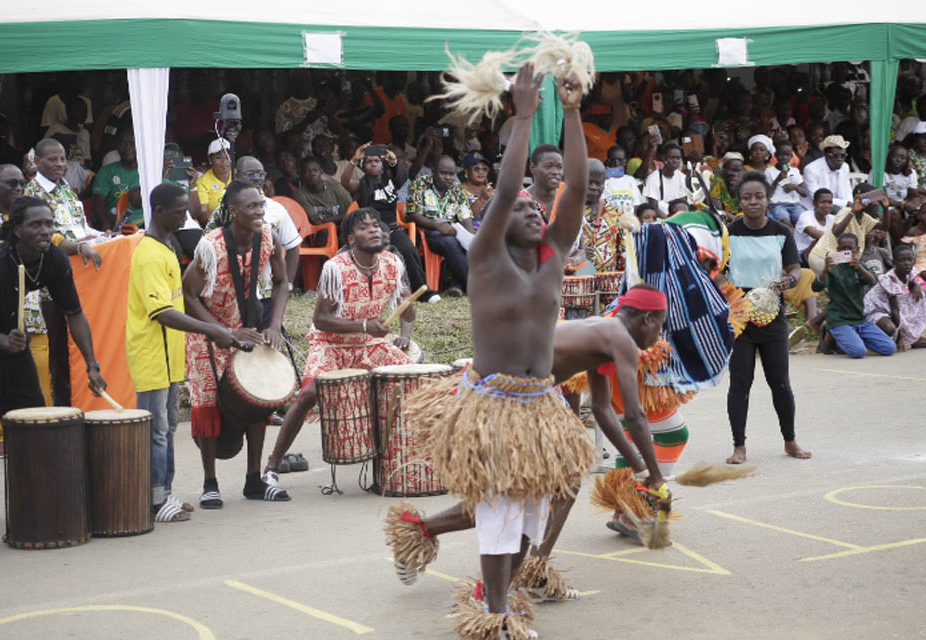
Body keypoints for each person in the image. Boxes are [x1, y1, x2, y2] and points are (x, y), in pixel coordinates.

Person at [387, 63, 594, 633]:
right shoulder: (487, 262)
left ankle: (453, 556)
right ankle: (495, 612)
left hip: (540, 403)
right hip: (493, 406)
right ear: (499, 226)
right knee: (502, 510)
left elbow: (574, 187)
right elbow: (505, 190)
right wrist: (523, 116)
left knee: (526, 514)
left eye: (539, 209)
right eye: (523, 209)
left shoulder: (552, 259)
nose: (533, 209)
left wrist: (572, 111)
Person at [385, 286, 670, 602]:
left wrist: (642, 468)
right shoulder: (619, 340)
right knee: (510, 498)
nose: (660, 334)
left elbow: (602, 409)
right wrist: (656, 475)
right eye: (660, 324)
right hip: (506, 393)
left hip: (526, 393)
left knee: (562, 483)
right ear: (647, 318)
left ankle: (532, 571)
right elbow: (634, 414)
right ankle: (426, 533)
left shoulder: (607, 330)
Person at [0, 196, 107, 535]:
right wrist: (2, 341)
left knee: (34, 429)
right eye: (36, 225)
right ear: (16, 230)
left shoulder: (54, 259)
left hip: (14, 353)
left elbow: (74, 313)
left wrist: (92, 364)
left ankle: (32, 507)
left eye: (49, 224)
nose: (45, 231)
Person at [262, 207, 415, 484]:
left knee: (413, 381)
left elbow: (406, 310)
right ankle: (272, 465)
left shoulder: (394, 263)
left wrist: (406, 327)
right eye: (364, 227)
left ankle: (405, 458)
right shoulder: (336, 268)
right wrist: (366, 326)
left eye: (376, 225)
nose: (373, 230)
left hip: (369, 343)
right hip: (331, 344)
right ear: (351, 238)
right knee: (308, 393)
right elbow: (321, 320)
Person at [127, 183, 241, 523]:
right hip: (151, 356)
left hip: (170, 357)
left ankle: (164, 491)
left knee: (167, 428)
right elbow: (161, 311)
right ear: (159, 211)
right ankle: (154, 500)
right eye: (179, 211)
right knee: (155, 431)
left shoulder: (169, 245)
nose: (185, 216)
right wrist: (215, 329)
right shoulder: (148, 254)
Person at [182, 181, 292, 507]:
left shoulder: (268, 238)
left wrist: (273, 325)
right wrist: (221, 332)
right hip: (206, 332)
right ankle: (210, 483)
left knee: (259, 398)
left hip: (247, 328)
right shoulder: (210, 247)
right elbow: (188, 296)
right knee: (206, 405)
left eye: (261, 205)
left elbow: (283, 282)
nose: (259, 211)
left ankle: (254, 481)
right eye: (251, 207)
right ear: (233, 212)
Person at [0, 164, 52, 460]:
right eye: (12, 183)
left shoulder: (32, 217)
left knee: (36, 383)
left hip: (27, 313)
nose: (18, 188)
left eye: (22, 184)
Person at [724, 172, 810, 465]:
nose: (753, 202)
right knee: (740, 383)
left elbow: (795, 268)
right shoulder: (730, 232)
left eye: (758, 196)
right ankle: (739, 446)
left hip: (773, 315)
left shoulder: (781, 231)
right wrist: (729, 292)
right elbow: (717, 270)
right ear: (740, 201)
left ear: (767, 199)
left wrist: (790, 279)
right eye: (747, 197)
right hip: (740, 318)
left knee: (780, 382)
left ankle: (790, 440)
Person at [24, 138, 103, 407]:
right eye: (52, 159)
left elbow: (81, 229)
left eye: (62, 159)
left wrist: (106, 237)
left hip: (79, 278)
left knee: (74, 349)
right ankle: (60, 409)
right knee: (58, 353)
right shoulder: (32, 194)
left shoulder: (67, 190)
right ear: (37, 162)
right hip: (49, 285)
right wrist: (81, 247)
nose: (60, 164)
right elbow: (50, 238)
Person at [204, 156, 301, 330]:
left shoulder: (276, 210)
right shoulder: (222, 212)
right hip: (229, 297)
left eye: (260, 174)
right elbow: (206, 252)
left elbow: (293, 247)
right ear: (237, 175)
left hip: (265, 296)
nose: (257, 178)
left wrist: (288, 285)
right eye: (250, 174)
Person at [341, 142, 433, 301]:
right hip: (372, 231)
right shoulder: (362, 185)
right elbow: (345, 182)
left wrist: (394, 162)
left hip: (393, 229)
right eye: (369, 162)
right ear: (364, 167)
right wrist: (354, 160)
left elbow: (404, 177)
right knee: (380, 258)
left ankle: (422, 292)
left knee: (409, 250)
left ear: (382, 164)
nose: (373, 164)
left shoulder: (390, 178)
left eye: (376, 161)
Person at [812, 233, 895, 359]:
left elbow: (872, 281)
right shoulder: (833, 268)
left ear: (857, 250)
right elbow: (816, 287)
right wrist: (825, 270)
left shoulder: (860, 265)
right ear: (838, 250)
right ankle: (830, 333)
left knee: (889, 348)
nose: (846, 252)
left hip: (860, 319)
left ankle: (851, 337)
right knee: (858, 352)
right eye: (843, 249)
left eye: (850, 249)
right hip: (839, 319)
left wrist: (860, 267)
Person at [405, 154, 473, 295]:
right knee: (450, 241)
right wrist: (436, 225)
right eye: (443, 173)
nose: (448, 177)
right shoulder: (419, 184)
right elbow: (413, 213)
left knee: (472, 244)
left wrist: (471, 239)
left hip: (454, 231)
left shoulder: (457, 189)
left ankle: (457, 286)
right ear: (433, 170)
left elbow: (465, 216)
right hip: (427, 231)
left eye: (451, 174)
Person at [807, 183, 890, 275]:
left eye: (876, 199)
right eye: (871, 199)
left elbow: (884, 227)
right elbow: (836, 232)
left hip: (838, 258)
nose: (875, 204)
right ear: (859, 200)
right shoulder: (846, 211)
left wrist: (885, 209)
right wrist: (854, 210)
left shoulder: (865, 218)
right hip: (823, 258)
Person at [864, 243, 926, 351]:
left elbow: (911, 280)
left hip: (891, 307)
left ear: (914, 261)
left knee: (921, 295)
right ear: (894, 263)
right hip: (876, 309)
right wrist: (900, 337)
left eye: (909, 260)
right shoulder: (889, 279)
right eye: (901, 260)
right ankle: (872, 338)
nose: (906, 263)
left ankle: (913, 336)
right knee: (890, 328)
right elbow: (895, 310)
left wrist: (915, 285)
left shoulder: (910, 271)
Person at [292, 155, 352, 238]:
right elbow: (316, 222)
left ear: (321, 172)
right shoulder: (300, 194)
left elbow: (352, 212)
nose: (312, 174)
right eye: (307, 171)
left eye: (315, 170)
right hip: (319, 232)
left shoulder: (335, 187)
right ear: (301, 174)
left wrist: (326, 220)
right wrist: (343, 217)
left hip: (343, 228)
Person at [581, 158, 624, 272]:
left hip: (608, 284)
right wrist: (578, 253)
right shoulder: (566, 210)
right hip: (575, 282)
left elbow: (623, 250)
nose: (594, 187)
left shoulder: (616, 212)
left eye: (598, 183)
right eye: (589, 182)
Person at [91, 129, 139, 230]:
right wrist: (107, 224)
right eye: (122, 143)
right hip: (113, 225)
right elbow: (98, 203)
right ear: (117, 146)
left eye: (132, 143)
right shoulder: (107, 171)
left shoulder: (147, 172)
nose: (127, 147)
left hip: (139, 226)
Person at [764, 139, 808, 227]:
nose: (784, 157)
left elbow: (805, 193)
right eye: (781, 154)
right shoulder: (769, 171)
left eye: (787, 155)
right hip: (777, 205)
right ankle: (792, 240)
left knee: (804, 222)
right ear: (775, 155)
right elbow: (767, 194)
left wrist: (795, 187)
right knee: (786, 222)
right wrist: (778, 179)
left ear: (791, 156)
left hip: (795, 205)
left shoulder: (795, 171)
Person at [802, 135, 852, 209]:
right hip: (816, 209)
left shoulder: (845, 167)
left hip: (839, 207)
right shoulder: (811, 169)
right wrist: (846, 204)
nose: (840, 159)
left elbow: (847, 191)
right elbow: (819, 198)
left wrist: (850, 206)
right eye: (836, 156)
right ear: (826, 155)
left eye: (843, 156)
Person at [190, 138, 232, 225]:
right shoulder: (203, 182)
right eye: (218, 157)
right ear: (210, 160)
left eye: (227, 157)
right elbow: (203, 214)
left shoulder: (239, 175)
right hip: (217, 226)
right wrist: (223, 221)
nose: (224, 161)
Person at [643, 142, 688, 217]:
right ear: (664, 159)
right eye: (672, 158)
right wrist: (668, 220)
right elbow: (653, 206)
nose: (675, 161)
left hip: (678, 216)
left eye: (678, 158)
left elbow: (683, 202)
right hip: (661, 217)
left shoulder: (682, 177)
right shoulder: (653, 178)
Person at [794, 189, 835, 266]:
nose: (827, 205)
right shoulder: (806, 215)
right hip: (801, 257)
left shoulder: (832, 218)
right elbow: (814, 233)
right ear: (814, 203)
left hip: (823, 254)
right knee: (818, 241)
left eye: (830, 202)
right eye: (823, 202)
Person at [601, 145, 643, 219]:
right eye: (613, 160)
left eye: (620, 160)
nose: (616, 163)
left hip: (630, 221)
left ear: (625, 162)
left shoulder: (630, 180)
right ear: (608, 162)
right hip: (611, 223)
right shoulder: (603, 181)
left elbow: (636, 204)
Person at [525, 143, 564, 220]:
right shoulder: (521, 201)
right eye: (549, 166)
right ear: (533, 168)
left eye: (559, 167)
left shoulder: (567, 199)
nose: (555, 172)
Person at [708, 152, 745, 220]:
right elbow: (718, 210)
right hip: (725, 220)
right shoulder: (718, 181)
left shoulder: (744, 181)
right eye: (732, 170)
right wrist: (736, 219)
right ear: (724, 169)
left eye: (738, 170)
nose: (735, 174)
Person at [461, 152, 493, 228]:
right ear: (466, 172)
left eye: (484, 169)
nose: (481, 172)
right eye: (476, 169)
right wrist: (483, 199)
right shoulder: (458, 191)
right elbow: (465, 219)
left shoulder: (489, 191)